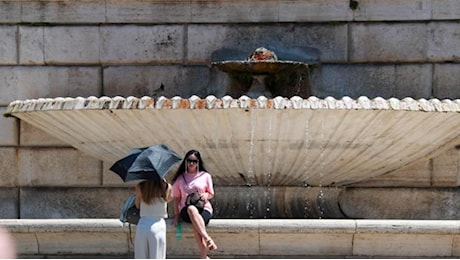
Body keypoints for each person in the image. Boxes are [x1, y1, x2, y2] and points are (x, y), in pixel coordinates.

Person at [172, 150, 217, 259]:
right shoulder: (180, 178)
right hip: (186, 210)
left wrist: (206, 195)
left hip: (203, 208)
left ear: (198, 162)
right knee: (191, 209)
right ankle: (208, 239)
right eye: (189, 161)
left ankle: (203, 256)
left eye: (194, 161)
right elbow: (176, 199)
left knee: (196, 223)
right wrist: (176, 216)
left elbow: (211, 193)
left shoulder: (205, 176)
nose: (191, 163)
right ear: (185, 162)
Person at [134, 178, 172, 259]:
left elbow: (137, 205)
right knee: (157, 255)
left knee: (141, 256)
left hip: (143, 224)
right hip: (158, 224)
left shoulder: (140, 186)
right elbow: (169, 199)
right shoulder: (166, 187)